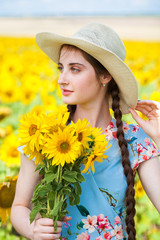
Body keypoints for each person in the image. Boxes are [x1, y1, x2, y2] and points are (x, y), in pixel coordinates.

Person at [11, 23, 160, 240]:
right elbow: (19, 207)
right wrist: (31, 228)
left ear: (105, 76)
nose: (62, 79)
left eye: (75, 69)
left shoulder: (134, 139)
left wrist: (158, 138)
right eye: (61, 68)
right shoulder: (45, 135)